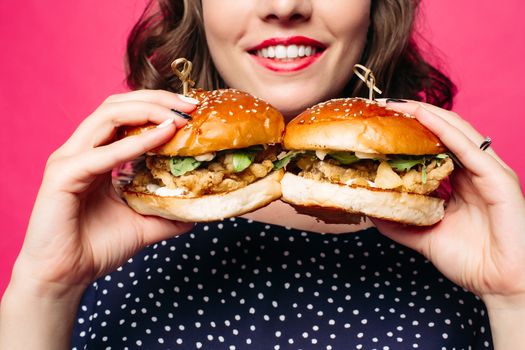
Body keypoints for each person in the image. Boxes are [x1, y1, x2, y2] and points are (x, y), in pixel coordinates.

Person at [1, 0, 524, 349]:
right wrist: (46, 288)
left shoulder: (470, 240)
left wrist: (515, 294)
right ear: (198, 7)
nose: (284, 5)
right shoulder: (107, 224)